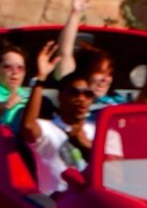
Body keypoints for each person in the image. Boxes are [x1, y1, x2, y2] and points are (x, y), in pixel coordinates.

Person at [17, 67, 99, 195]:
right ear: (61, 97)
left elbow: (115, 175)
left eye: (87, 94)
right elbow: (28, 127)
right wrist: (40, 80)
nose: (82, 98)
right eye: (74, 93)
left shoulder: (101, 132)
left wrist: (88, 146)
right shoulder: (47, 129)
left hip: (91, 205)